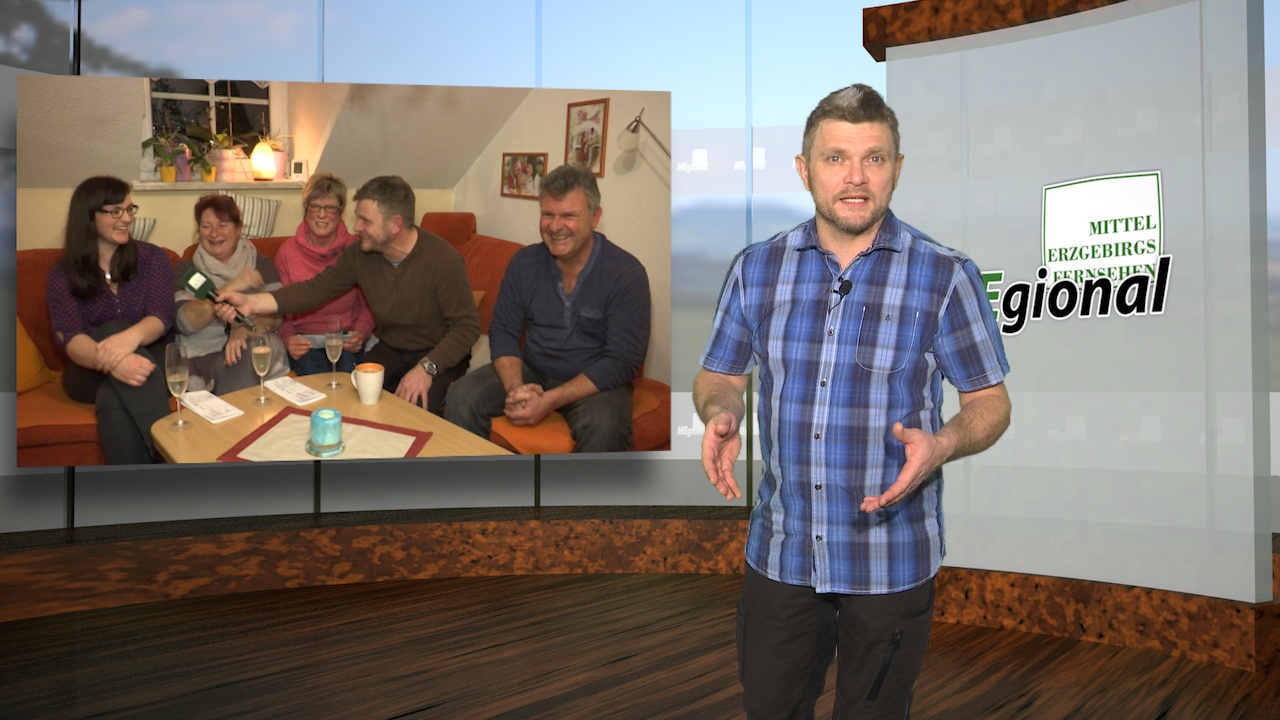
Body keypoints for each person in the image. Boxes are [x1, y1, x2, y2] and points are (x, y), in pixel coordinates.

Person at [693, 84, 1012, 718]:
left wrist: (944, 444)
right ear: (804, 168)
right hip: (782, 553)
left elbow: (990, 402)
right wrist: (720, 412)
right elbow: (718, 377)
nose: (856, 177)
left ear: (898, 168)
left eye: (875, 158)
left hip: (891, 561)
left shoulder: (946, 275)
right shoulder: (755, 269)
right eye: (836, 157)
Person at [220, 175, 480, 415]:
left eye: (366, 221)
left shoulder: (443, 260)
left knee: (415, 411)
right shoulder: (361, 255)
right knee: (349, 400)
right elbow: (316, 289)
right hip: (392, 349)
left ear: (396, 224)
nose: (357, 227)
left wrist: (426, 369)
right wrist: (252, 302)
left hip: (438, 353)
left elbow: (467, 328)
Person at [445, 164, 650, 452]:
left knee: (605, 428)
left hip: (594, 382)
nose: (555, 226)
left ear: (595, 217)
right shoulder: (524, 263)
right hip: (533, 370)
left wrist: (550, 401)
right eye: (548, 214)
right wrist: (515, 388)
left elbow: (623, 360)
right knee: (461, 396)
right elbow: (503, 330)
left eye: (569, 215)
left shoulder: (626, 274)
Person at [45, 176, 174, 464]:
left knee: (113, 396)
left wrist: (129, 340)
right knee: (111, 332)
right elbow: (71, 337)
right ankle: (173, 459)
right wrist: (116, 361)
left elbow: (161, 316)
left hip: (152, 357)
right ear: (89, 217)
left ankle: (134, 485)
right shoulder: (62, 275)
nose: (126, 218)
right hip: (88, 369)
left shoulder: (152, 258)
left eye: (129, 209)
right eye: (115, 211)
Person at [173, 194, 288, 394]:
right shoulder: (187, 271)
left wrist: (243, 330)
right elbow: (185, 323)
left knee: (257, 347)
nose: (214, 233)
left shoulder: (261, 264)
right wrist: (232, 286)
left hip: (246, 352)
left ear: (238, 228)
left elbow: (275, 316)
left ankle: (229, 407)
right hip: (200, 361)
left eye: (223, 225)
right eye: (206, 226)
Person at [274, 173, 375, 375]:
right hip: (305, 341)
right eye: (315, 207)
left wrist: (361, 333)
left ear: (341, 211)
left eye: (330, 208)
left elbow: (370, 303)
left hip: (345, 338)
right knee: (317, 381)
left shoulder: (356, 249)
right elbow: (279, 308)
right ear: (305, 209)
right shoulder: (287, 252)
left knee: (348, 379)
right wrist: (288, 338)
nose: (322, 215)